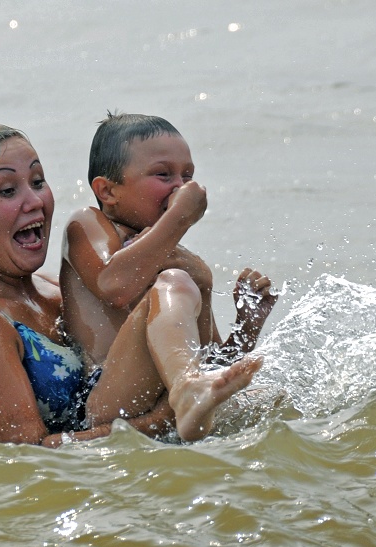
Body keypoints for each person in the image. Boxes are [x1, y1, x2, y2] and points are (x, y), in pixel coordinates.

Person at [0, 122, 258, 446]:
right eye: (7, 190)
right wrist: (161, 420)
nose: (34, 201)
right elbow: (24, 462)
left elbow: (206, 367)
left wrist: (244, 326)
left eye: (38, 182)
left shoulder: (61, 292)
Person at [59, 112, 278, 440]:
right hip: (104, 398)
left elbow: (210, 361)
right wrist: (179, 218)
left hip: (173, 397)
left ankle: (188, 395)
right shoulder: (89, 225)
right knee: (177, 280)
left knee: (273, 400)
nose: (180, 187)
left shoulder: (176, 259)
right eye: (163, 175)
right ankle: (185, 392)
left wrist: (247, 328)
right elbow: (114, 285)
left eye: (187, 175)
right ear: (107, 191)